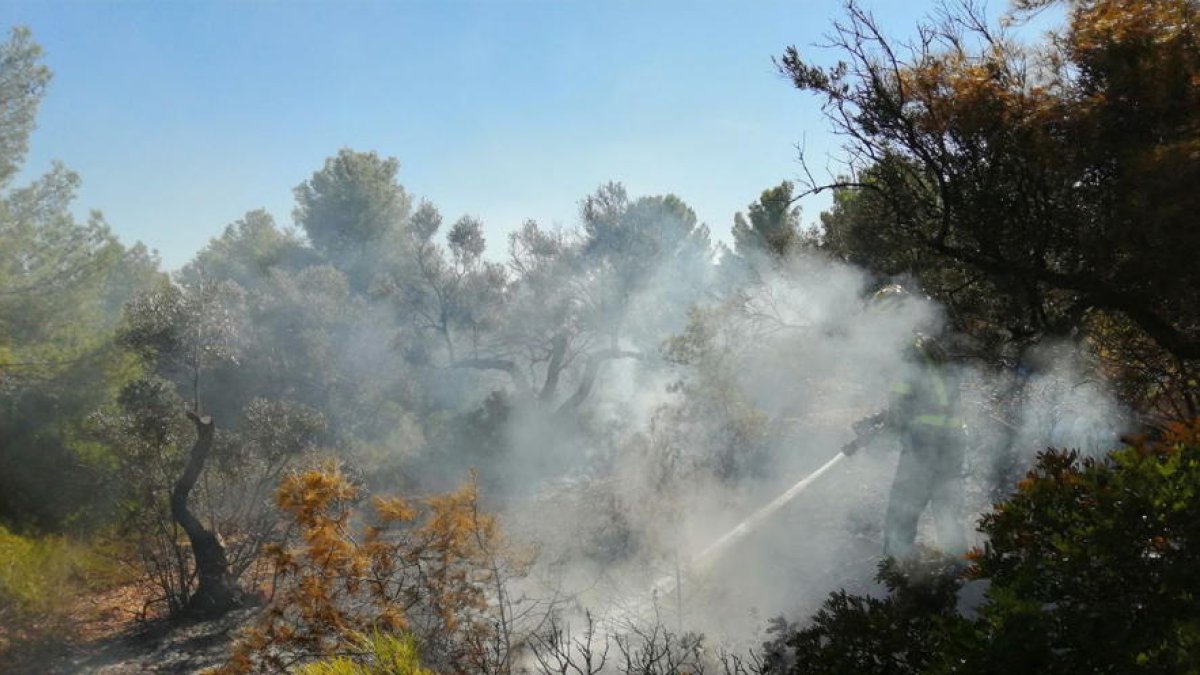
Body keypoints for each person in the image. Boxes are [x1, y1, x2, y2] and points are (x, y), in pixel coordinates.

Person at [844, 284, 967, 557]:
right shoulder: (929, 346)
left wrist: (873, 435)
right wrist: (878, 419)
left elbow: (902, 413)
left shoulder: (904, 351)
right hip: (954, 440)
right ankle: (966, 584)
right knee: (948, 516)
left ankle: (897, 585)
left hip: (925, 444)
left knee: (899, 519)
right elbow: (927, 399)